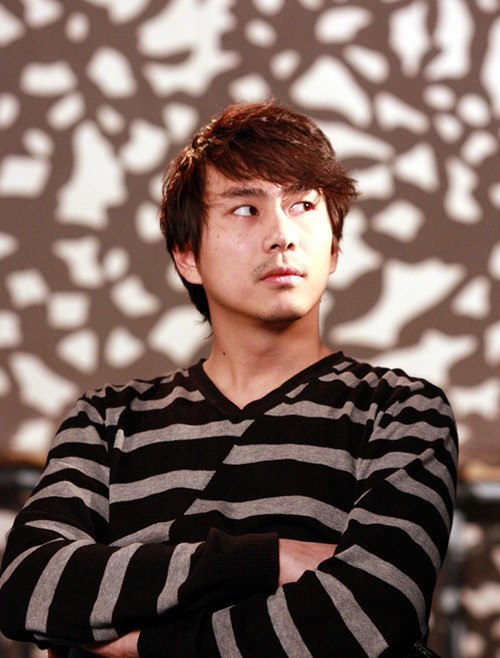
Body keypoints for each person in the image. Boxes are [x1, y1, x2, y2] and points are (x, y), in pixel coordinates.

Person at [0, 101, 458, 658]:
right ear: (186, 255)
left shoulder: (402, 411)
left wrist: (141, 645)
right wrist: (265, 559)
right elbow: (28, 585)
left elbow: (372, 612)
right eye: (246, 209)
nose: (282, 234)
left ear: (335, 246)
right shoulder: (108, 419)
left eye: (303, 205)